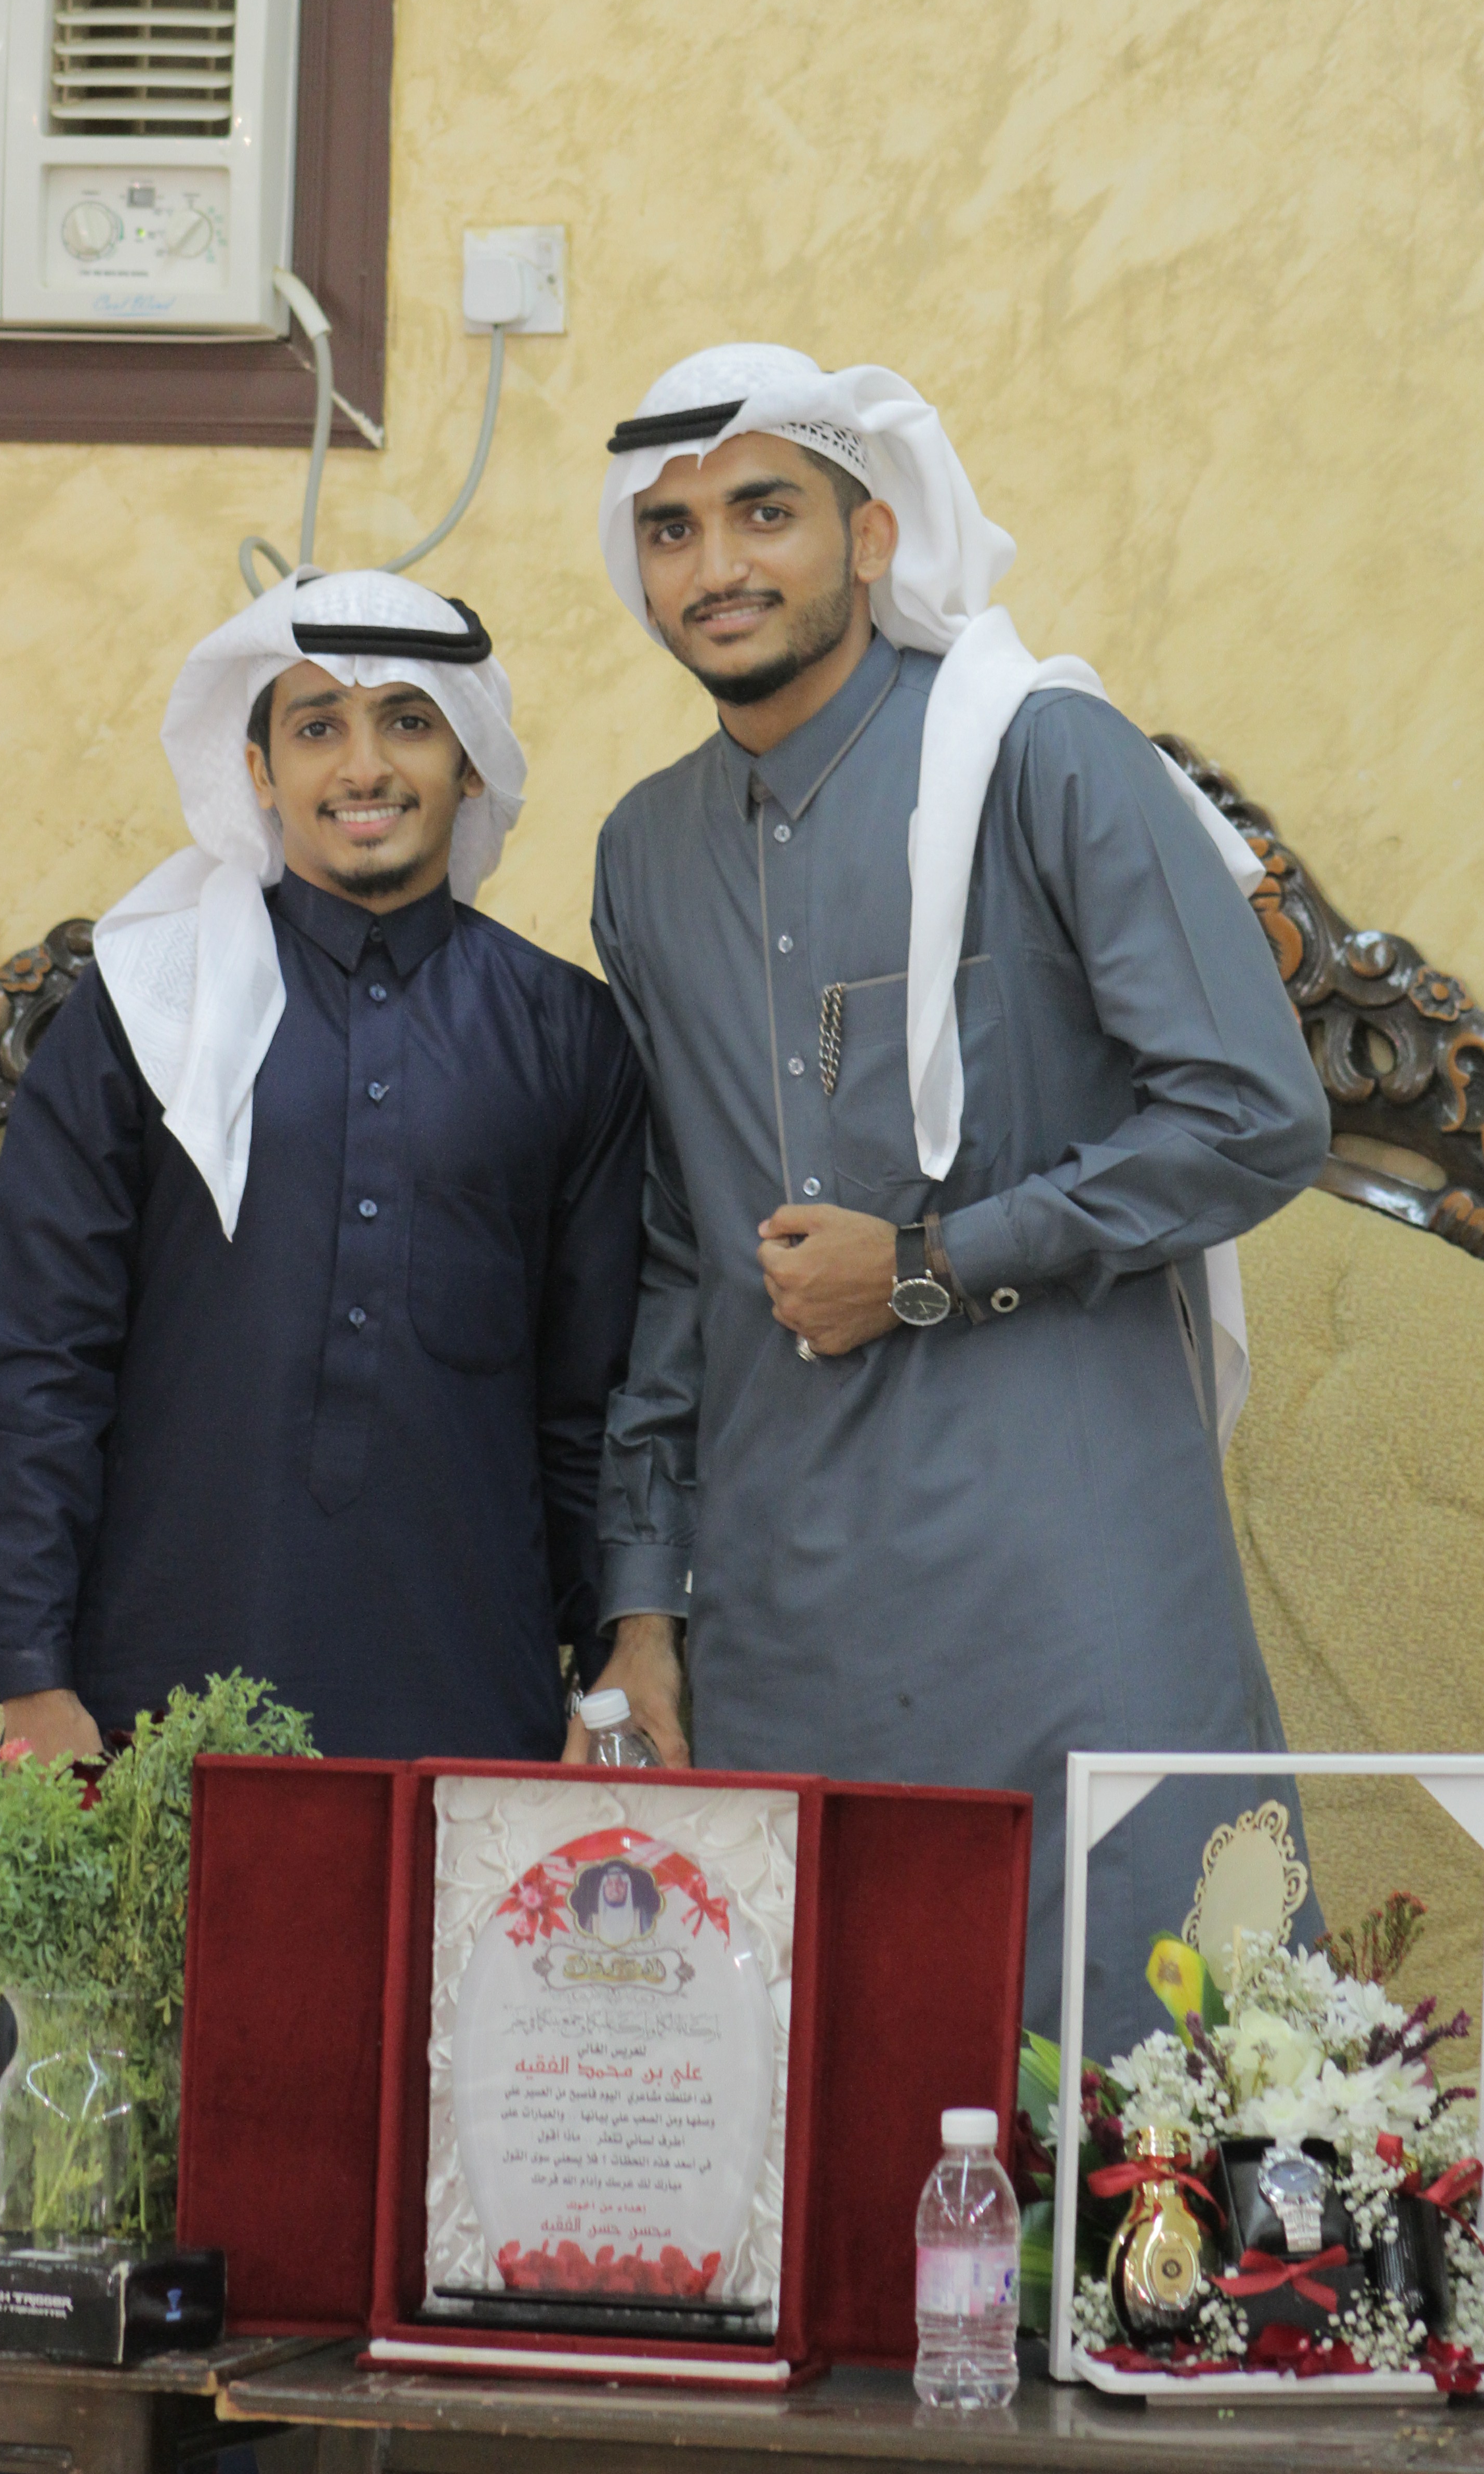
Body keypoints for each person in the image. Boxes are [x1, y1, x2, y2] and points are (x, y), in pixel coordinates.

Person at [571, 345, 1333, 2057]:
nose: (716, 565)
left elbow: (1253, 1115)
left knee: (1168, 2093)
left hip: (1066, 1569)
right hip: (782, 1604)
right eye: (671, 530)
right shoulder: (643, 853)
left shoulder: (1042, 755)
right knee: (819, 2109)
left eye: (763, 512)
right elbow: (684, 1251)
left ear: (871, 534)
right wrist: (643, 1607)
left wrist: (925, 1262)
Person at [0, 571, 645, 1768]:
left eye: (408, 721)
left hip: (470, 1699)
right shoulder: (145, 1011)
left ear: (470, 760)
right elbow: (45, 1361)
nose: (363, 768)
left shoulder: (568, 1034)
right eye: (319, 727)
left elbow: (591, 1402)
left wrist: (603, 1671)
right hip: (157, 1703)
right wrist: (35, 1676)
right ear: (259, 769)